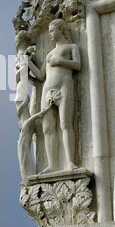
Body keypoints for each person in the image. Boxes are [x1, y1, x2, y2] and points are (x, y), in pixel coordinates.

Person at [26, 19, 81, 173]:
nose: (50, 34)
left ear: (61, 30)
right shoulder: (50, 54)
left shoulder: (71, 47)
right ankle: (52, 165)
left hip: (64, 86)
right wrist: (28, 63)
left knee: (65, 124)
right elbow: (41, 75)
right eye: (49, 31)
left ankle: (70, 162)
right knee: (47, 128)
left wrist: (60, 61)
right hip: (47, 90)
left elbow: (77, 64)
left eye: (52, 30)